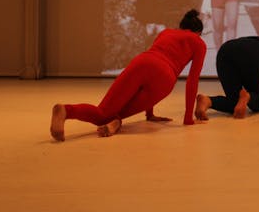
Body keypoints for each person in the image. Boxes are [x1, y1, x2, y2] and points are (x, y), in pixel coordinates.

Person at [50, 9, 206, 142]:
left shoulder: (166, 32)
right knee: (110, 116)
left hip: (143, 61)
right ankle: (115, 122)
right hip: (165, 78)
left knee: (104, 111)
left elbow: (154, 64)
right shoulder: (198, 43)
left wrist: (150, 113)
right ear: (198, 33)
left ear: (181, 27)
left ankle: (66, 110)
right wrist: (187, 119)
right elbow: (192, 80)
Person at [194, 36, 259, 120]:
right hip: (251, 51)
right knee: (258, 103)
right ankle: (247, 96)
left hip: (226, 50)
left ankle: (207, 101)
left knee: (234, 101)